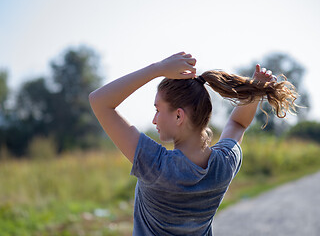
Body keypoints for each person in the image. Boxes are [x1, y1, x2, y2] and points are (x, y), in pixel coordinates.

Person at [89, 52, 297, 235]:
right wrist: (256, 90)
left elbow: (99, 101)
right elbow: (238, 124)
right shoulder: (223, 165)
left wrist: (158, 68)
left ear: (179, 116)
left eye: (158, 110)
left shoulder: (156, 165)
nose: (154, 120)